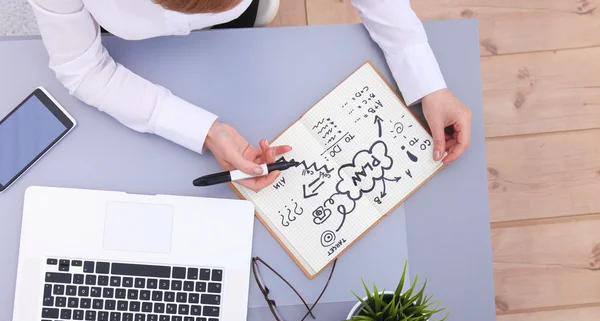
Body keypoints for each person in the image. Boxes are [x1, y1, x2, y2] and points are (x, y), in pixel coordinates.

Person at [29, 0, 471, 192]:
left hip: (242, 43)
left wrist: (425, 78)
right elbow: (82, 67)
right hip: (126, 44)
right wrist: (204, 131)